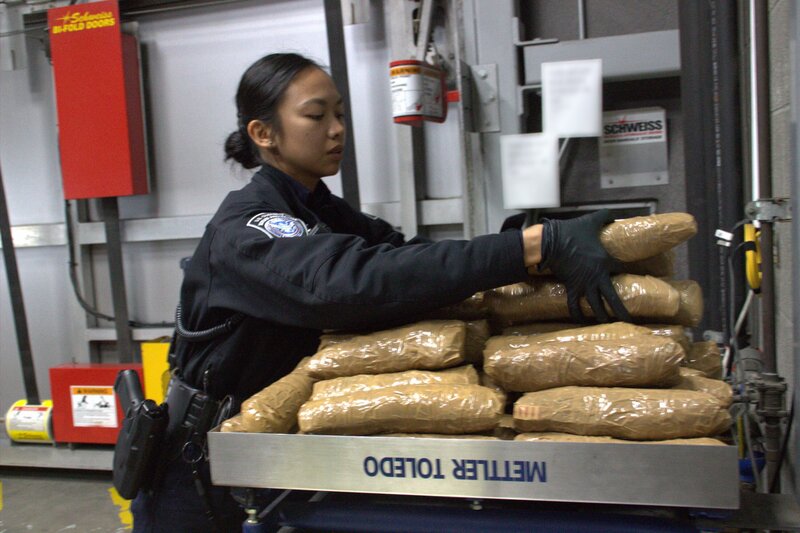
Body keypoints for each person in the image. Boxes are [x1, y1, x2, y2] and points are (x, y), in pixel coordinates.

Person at [130, 52, 630, 532]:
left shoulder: (320, 208)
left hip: (275, 449)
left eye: (341, 113)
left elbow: (404, 261)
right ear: (264, 134)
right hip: (203, 465)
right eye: (316, 115)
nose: (337, 128)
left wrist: (517, 244)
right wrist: (525, 248)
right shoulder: (249, 226)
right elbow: (350, 284)